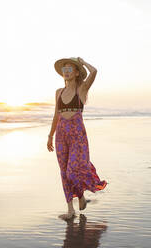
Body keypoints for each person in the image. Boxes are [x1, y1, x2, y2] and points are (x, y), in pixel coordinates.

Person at [47, 57, 108, 220]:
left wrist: (82, 62)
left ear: (76, 73)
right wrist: (50, 135)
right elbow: (55, 115)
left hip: (77, 136)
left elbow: (94, 71)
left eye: (69, 69)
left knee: (72, 171)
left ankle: (80, 196)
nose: (66, 72)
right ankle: (70, 209)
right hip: (61, 134)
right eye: (64, 70)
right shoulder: (58, 92)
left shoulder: (81, 89)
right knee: (64, 172)